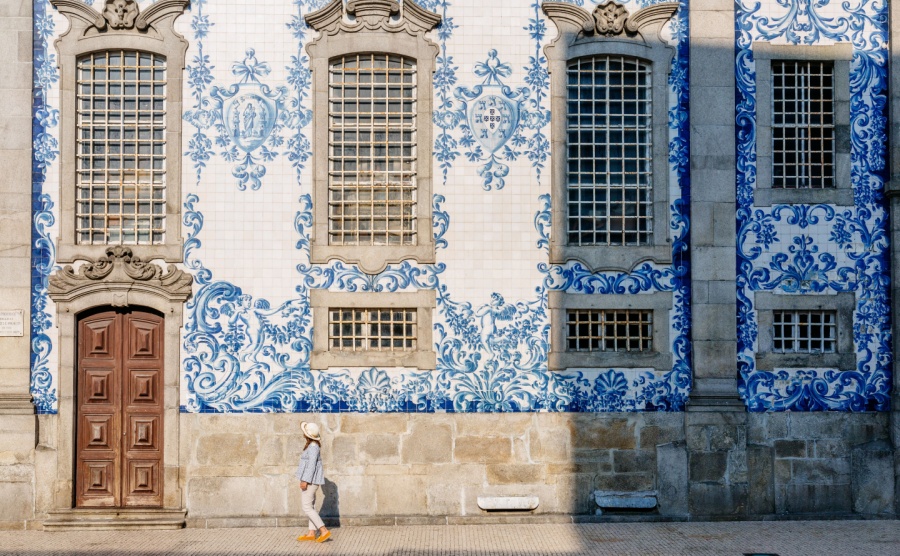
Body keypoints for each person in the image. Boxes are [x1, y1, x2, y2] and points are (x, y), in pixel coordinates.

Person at [295, 421, 331, 543]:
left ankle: (323, 530)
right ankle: (311, 533)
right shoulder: (312, 446)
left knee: (307, 507)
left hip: (310, 481)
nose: (303, 434)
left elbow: (311, 466)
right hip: (311, 481)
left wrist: (305, 480)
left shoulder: (313, 447)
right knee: (311, 506)